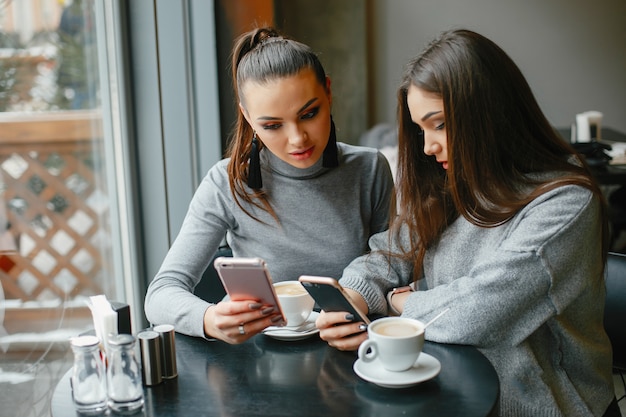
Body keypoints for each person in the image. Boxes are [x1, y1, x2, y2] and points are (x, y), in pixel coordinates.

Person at [316, 29, 619, 416]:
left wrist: (400, 304)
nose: (427, 146)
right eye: (420, 129)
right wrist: (357, 293)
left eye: (439, 124)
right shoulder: (452, 178)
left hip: (546, 404)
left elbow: (481, 310)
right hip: (455, 387)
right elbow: (392, 251)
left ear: (488, 113)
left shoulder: (565, 203)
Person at [144, 27, 394, 345]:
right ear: (248, 118)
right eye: (272, 125)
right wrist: (208, 319)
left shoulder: (370, 169)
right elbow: (160, 295)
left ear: (329, 92)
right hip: (261, 360)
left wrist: (360, 293)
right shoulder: (226, 183)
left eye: (309, 113)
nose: (297, 139)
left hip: (352, 351)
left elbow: (391, 260)